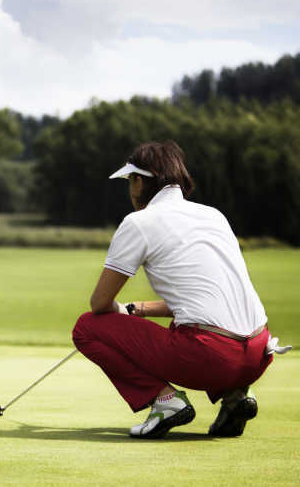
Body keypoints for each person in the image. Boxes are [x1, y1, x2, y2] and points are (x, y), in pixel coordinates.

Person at [72, 140, 291, 439]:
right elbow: (203, 298)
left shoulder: (138, 222)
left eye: (130, 181)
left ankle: (165, 401)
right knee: (188, 323)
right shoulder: (214, 215)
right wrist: (137, 310)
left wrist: (118, 314)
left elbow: (100, 304)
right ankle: (235, 397)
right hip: (257, 354)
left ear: (138, 181)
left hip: (211, 358)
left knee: (87, 327)